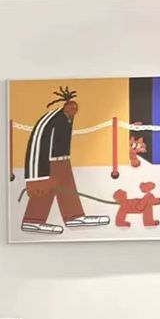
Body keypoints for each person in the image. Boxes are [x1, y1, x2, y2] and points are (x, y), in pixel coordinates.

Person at [22, 86, 110, 235]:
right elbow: (37, 144)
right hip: (48, 162)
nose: (73, 112)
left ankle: (74, 216)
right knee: (44, 189)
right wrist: (34, 178)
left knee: (67, 187)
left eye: (75, 109)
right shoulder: (49, 120)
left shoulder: (67, 119)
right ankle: (33, 220)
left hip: (63, 161)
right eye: (71, 109)